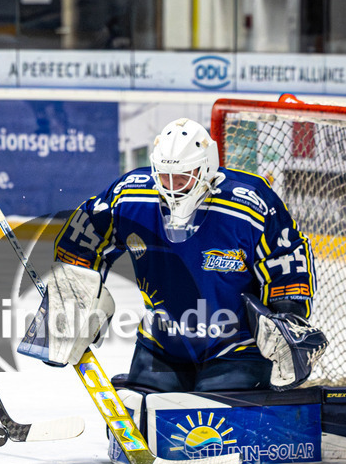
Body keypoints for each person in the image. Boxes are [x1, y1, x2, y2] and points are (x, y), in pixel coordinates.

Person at [42, 117, 327, 394]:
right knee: (146, 416)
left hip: (238, 349)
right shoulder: (130, 196)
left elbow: (287, 256)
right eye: (164, 176)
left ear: (206, 168)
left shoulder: (250, 201)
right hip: (161, 344)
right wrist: (71, 295)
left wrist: (288, 315)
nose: (171, 186)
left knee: (213, 420)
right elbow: (82, 236)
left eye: (182, 177)